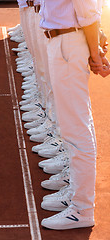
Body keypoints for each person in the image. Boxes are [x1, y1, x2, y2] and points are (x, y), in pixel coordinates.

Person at [38, 0, 110, 230]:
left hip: (69, 42)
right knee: (73, 125)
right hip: (63, 41)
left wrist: (95, 54)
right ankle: (76, 194)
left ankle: (82, 208)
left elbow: (87, 11)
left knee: (76, 128)